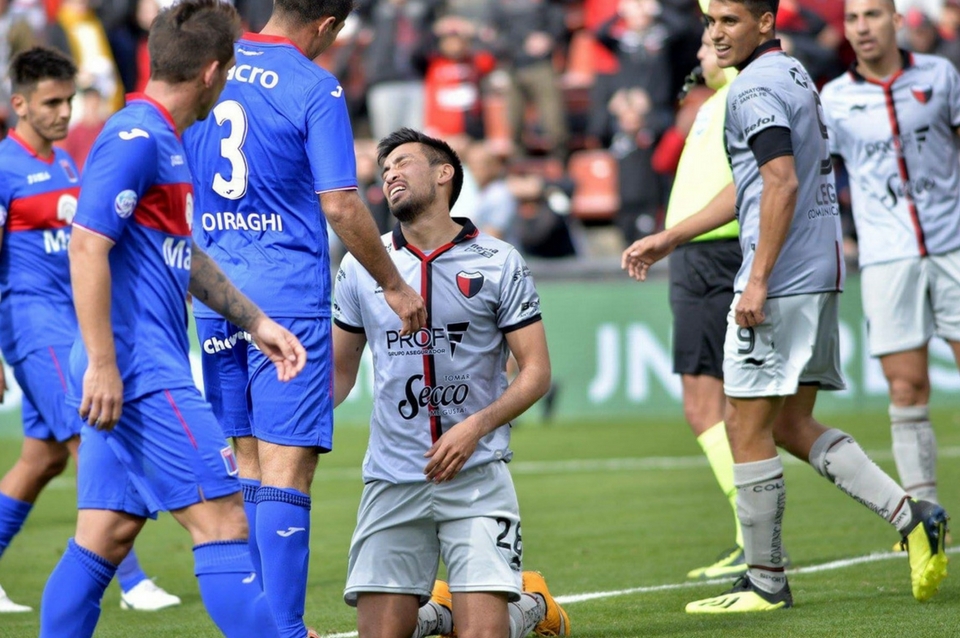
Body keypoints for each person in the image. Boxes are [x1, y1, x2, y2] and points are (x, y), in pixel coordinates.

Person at [622, 0, 948, 612]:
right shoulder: (793, 73)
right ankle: (914, 517)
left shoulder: (754, 88)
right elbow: (759, 179)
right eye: (711, 22)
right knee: (791, 423)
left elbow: (780, 182)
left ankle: (766, 580)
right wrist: (673, 235)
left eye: (730, 21)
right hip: (818, 271)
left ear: (765, 22)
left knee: (743, 422)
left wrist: (757, 282)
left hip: (783, 280)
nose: (716, 34)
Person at [38, 2, 306, 636]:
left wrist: (256, 321)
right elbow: (87, 245)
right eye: (230, 68)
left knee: (103, 535)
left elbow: (182, 255)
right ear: (212, 72)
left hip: (126, 364)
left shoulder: (164, 138)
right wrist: (105, 364)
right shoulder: (135, 137)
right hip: (136, 368)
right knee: (224, 521)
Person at [183, 1, 426, 635]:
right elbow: (341, 204)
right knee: (287, 467)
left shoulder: (211, 68)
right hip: (286, 299)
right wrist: (394, 285)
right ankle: (285, 630)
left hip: (215, 294)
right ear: (326, 26)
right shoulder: (315, 86)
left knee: (248, 460)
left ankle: (261, 625)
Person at [332, 128, 569, 638]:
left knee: (482, 634)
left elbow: (536, 372)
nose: (390, 173)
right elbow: (338, 373)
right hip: (392, 478)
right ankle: (441, 614)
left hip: (476, 475)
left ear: (444, 174)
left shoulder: (499, 260)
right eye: (385, 168)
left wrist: (474, 429)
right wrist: (283, 413)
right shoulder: (359, 267)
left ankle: (530, 606)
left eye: (403, 162)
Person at [0, 45, 179, 613]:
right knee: (93, 434)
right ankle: (131, 582)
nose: (64, 112)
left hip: (70, 322)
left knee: (43, 459)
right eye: (51, 103)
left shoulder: (66, 163)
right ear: (19, 105)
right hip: (34, 325)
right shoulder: (4, 168)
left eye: (69, 100)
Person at [821, 0, 960, 522]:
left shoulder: (940, 76)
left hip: (953, 245)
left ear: (897, 21)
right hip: (886, 258)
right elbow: (820, 178)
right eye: (853, 18)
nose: (862, 27)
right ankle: (929, 521)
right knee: (905, 387)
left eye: (873, 15)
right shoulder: (834, 99)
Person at [635, 24, 747, 581]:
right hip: (700, 256)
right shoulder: (713, 104)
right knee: (721, 406)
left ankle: (754, 533)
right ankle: (752, 531)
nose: (703, 52)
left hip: (710, 255)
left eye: (711, 42)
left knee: (707, 406)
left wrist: (672, 236)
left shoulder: (741, 96)